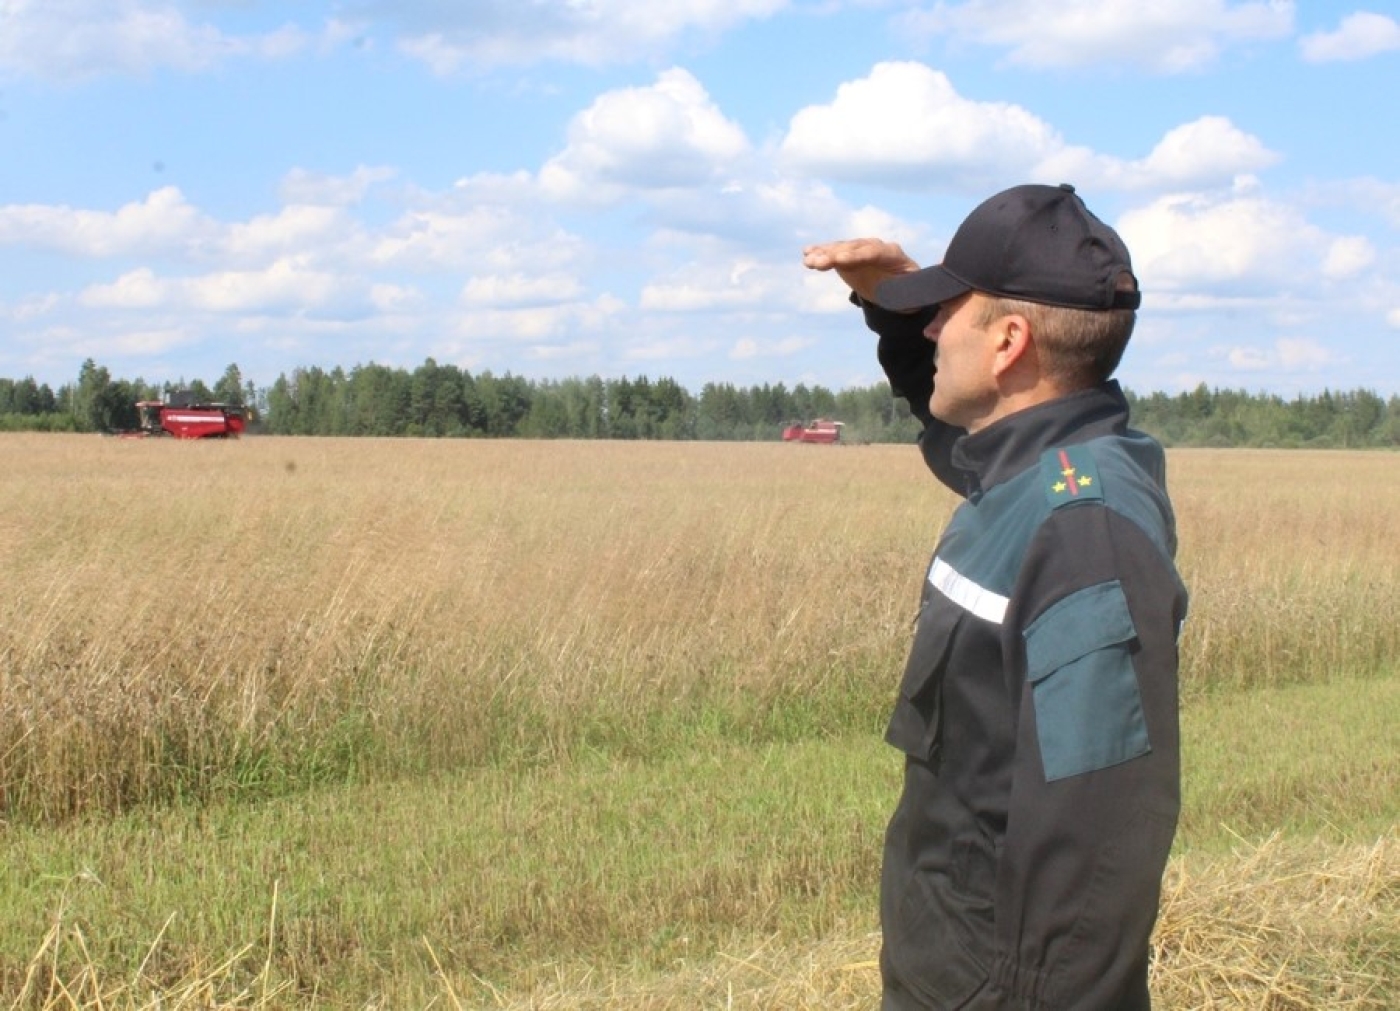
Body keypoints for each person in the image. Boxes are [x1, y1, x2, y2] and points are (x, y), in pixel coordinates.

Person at [803, 183, 1188, 1010]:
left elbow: (1096, 854)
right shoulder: (1028, 473)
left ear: (1011, 342)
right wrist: (901, 309)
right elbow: (960, 435)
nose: (933, 329)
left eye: (949, 313)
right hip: (946, 970)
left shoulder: (1083, 527)